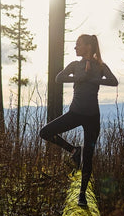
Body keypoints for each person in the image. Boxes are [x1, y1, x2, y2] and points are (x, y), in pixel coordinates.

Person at [39, 34, 118, 207]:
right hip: (75, 113)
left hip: (92, 117)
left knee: (89, 157)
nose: (75, 48)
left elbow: (114, 81)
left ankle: (82, 195)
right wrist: (78, 78)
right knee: (44, 132)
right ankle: (74, 149)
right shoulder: (75, 65)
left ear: (88, 46)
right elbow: (58, 78)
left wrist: (94, 79)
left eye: (78, 45)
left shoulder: (100, 66)